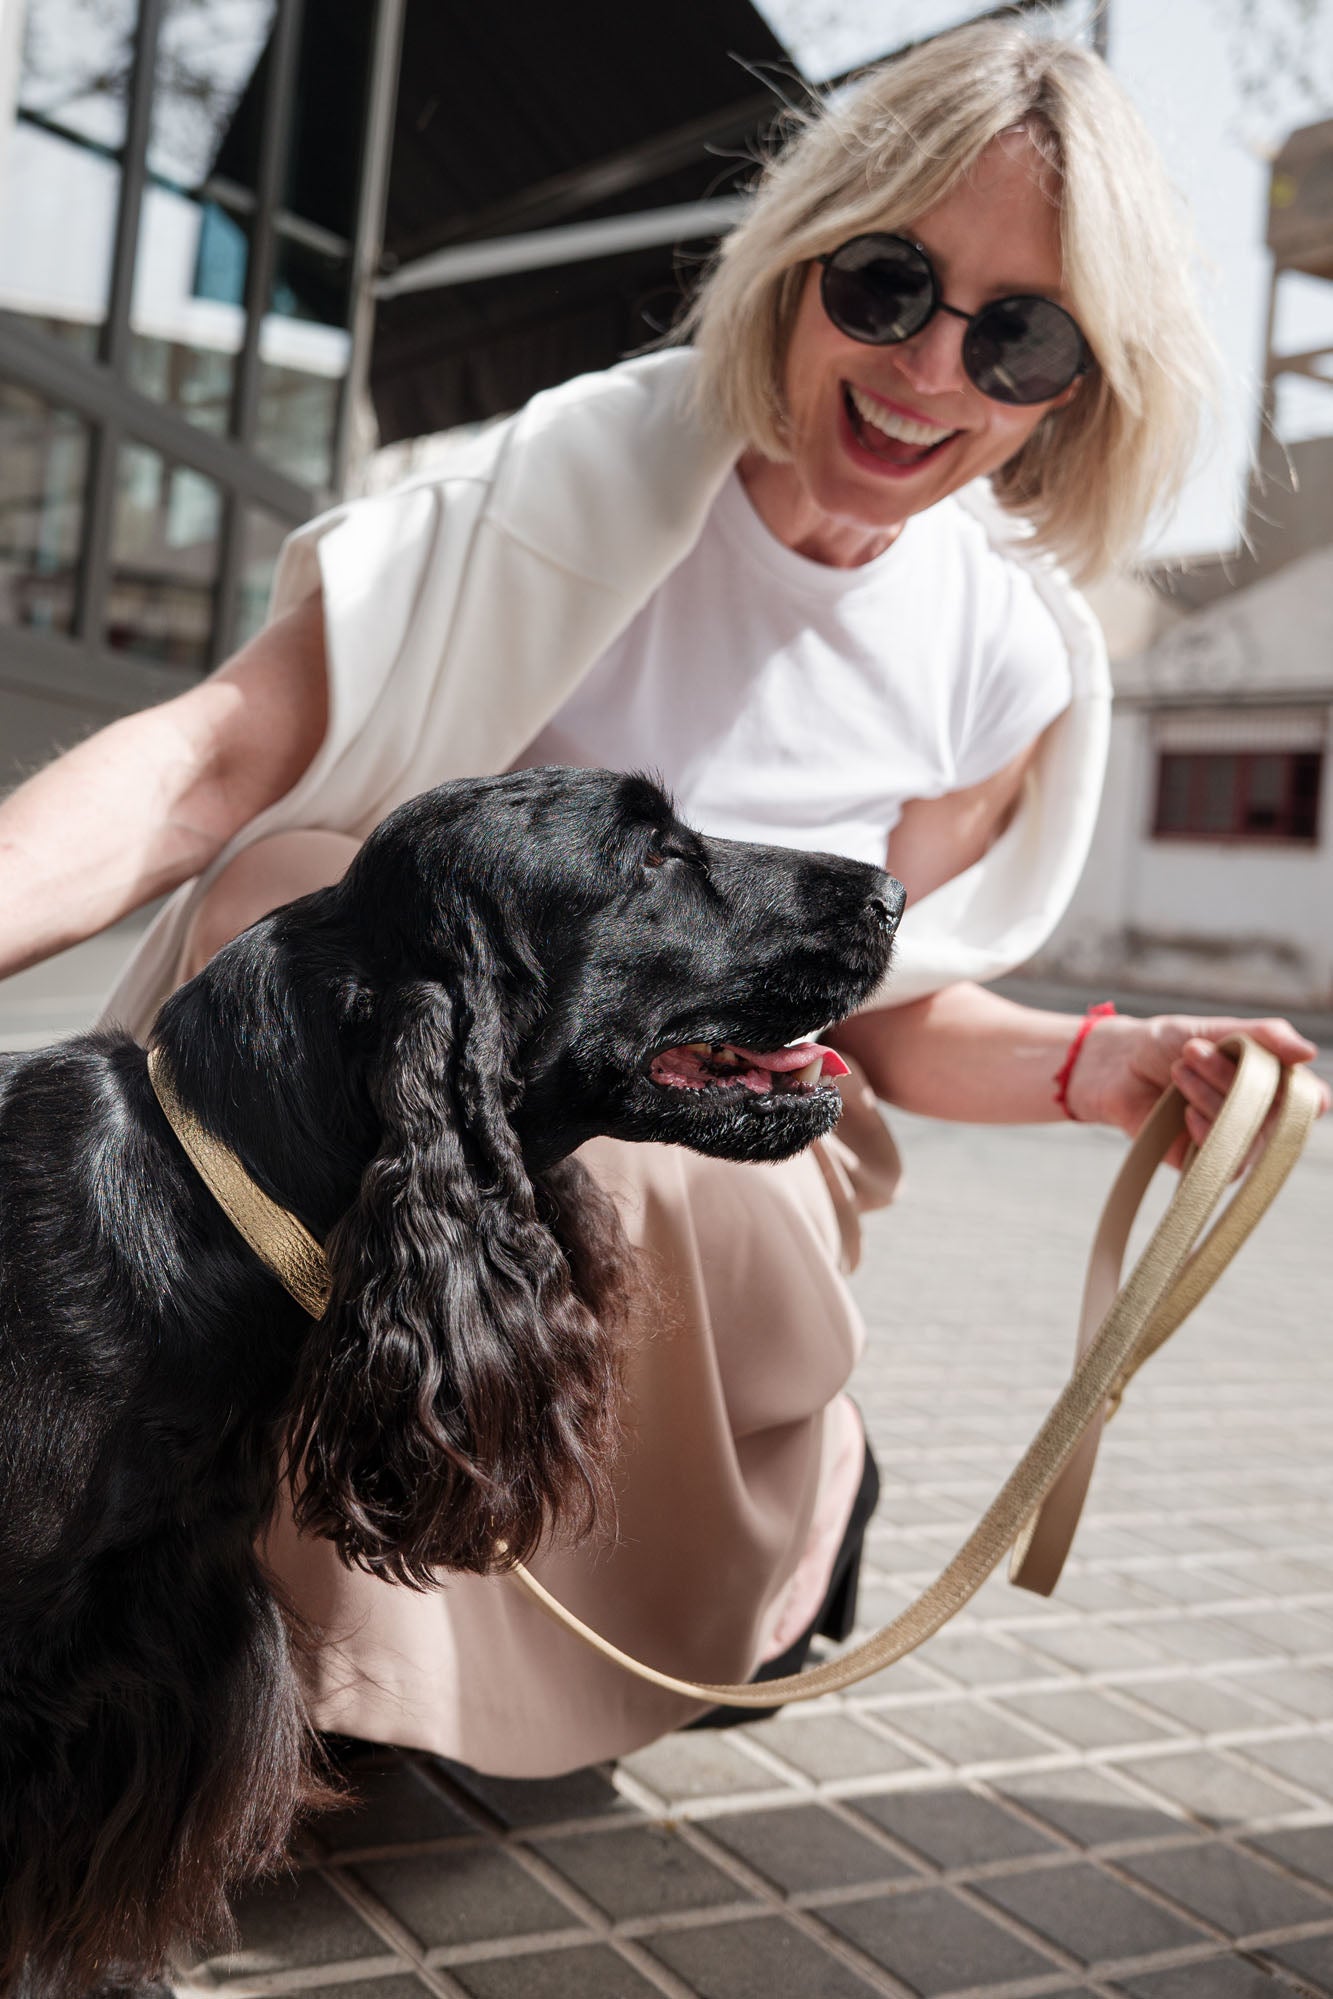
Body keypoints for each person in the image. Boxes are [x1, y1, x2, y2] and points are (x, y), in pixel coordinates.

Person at [1, 19, 1326, 1774]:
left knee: (615, 1130)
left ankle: (552, 1625)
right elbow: (207, 767)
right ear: (795, 266)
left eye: (1016, 333)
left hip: (709, 1139)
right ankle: (214, 1627)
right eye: (886, 284)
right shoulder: (552, 484)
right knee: (300, 890)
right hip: (424, 1087)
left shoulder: (1005, 660)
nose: (930, 365)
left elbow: (898, 1012)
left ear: (1074, 386)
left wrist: (1113, 1064)